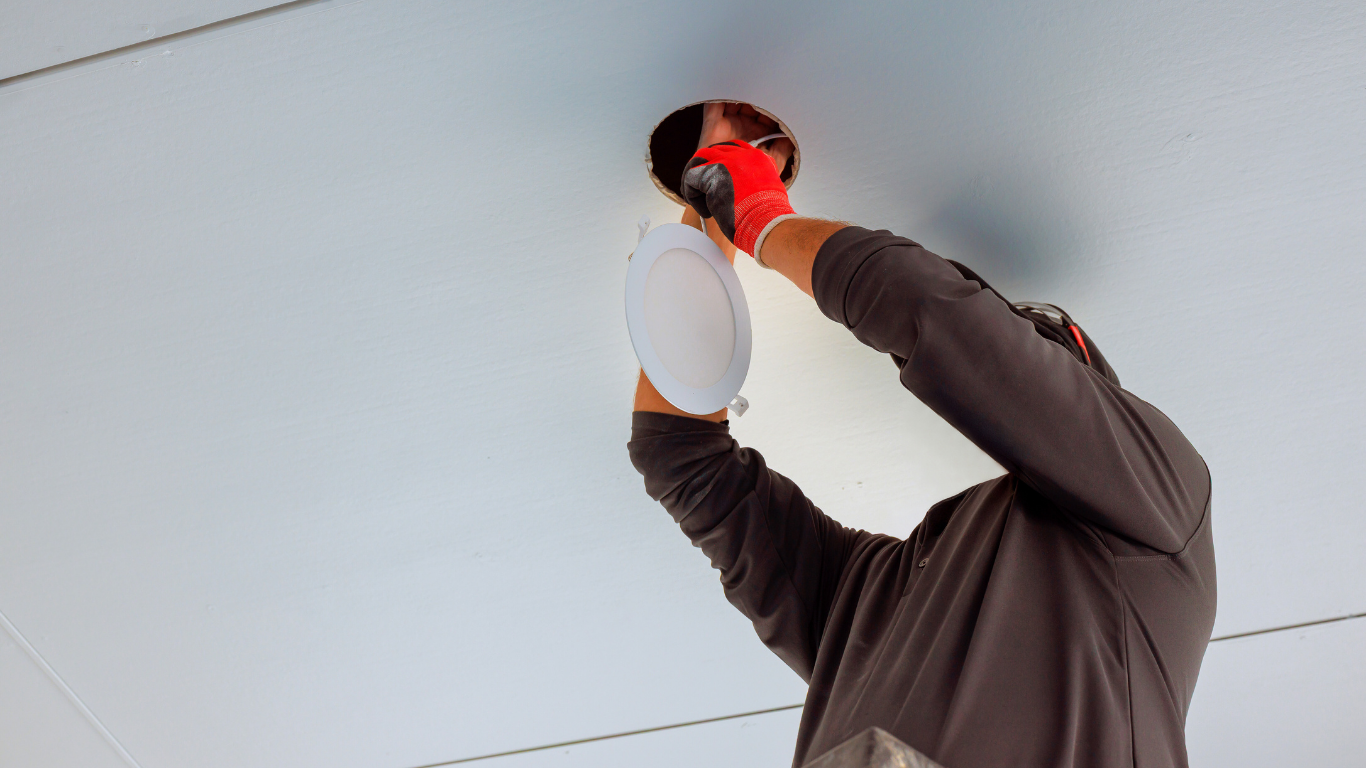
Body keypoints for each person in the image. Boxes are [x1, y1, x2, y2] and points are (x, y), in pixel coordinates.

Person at [627, 102, 1215, 768]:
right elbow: (680, 455)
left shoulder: (1160, 510)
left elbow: (935, 317)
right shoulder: (866, 602)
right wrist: (706, 225)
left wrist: (758, 216)